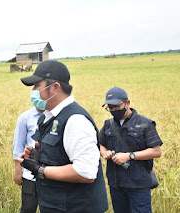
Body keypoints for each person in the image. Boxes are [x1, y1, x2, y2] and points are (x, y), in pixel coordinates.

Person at [16, 60, 108, 213]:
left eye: (37, 85)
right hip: (56, 205)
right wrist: (37, 157)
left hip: (77, 208)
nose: (33, 91)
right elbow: (58, 156)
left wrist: (40, 170)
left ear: (55, 88)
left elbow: (85, 172)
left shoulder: (75, 120)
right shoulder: (47, 117)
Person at [99, 87, 163, 213]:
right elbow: (101, 144)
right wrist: (104, 152)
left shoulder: (145, 124)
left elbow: (157, 151)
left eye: (117, 106)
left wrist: (129, 156)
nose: (114, 110)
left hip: (138, 185)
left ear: (127, 103)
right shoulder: (108, 124)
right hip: (116, 184)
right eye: (110, 108)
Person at [13, 107, 43, 213]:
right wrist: (18, 169)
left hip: (51, 174)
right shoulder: (25, 117)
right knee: (28, 208)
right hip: (29, 175)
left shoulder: (57, 116)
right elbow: (18, 144)